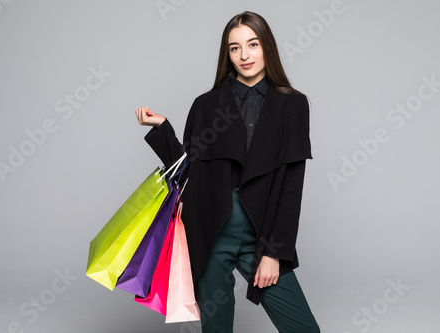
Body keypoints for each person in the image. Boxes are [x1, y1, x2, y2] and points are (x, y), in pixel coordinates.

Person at [135, 11, 320, 333]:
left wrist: (274, 253)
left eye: (253, 44)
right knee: (216, 329)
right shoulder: (207, 104)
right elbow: (187, 171)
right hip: (209, 233)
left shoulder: (292, 105)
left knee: (303, 329)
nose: (244, 55)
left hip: (260, 237)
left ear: (267, 48)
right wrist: (162, 129)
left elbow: (292, 185)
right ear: (227, 54)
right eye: (235, 48)